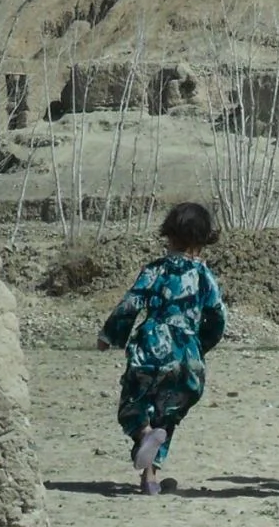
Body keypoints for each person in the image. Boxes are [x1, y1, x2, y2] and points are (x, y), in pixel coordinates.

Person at [97, 202, 228, 496]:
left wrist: (109, 335)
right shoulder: (204, 276)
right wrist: (200, 346)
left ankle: (143, 435)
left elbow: (131, 303)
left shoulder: (155, 270)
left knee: (134, 407)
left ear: (169, 235)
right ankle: (150, 478)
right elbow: (218, 317)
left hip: (150, 350)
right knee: (166, 417)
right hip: (186, 358)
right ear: (204, 239)